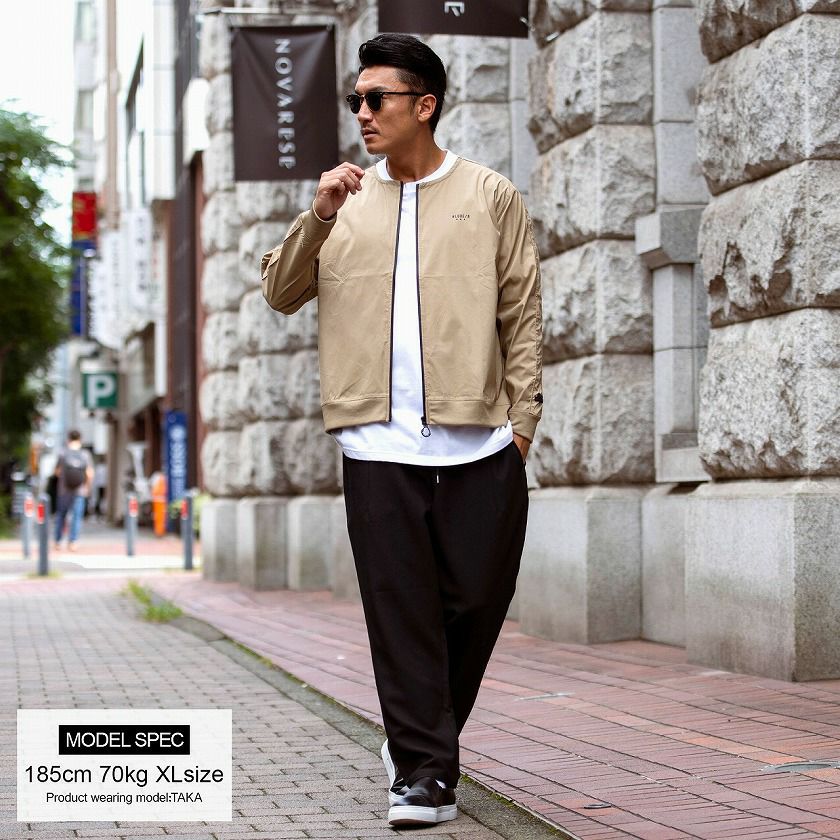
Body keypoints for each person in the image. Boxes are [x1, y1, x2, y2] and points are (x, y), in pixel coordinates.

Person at [262, 33, 543, 828]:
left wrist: (523, 425)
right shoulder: (342, 202)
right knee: (400, 613)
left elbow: (522, 313)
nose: (362, 112)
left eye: (375, 98)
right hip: (376, 446)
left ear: (424, 105)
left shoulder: (489, 194)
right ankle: (422, 774)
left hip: (480, 440)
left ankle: (419, 739)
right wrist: (318, 215)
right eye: (355, 99)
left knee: (476, 601)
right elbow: (280, 293)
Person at [53, 430, 94, 551]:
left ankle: (58, 541)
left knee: (61, 515)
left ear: (68, 439)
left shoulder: (63, 453)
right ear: (80, 439)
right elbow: (90, 474)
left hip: (64, 490)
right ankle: (73, 542)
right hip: (79, 490)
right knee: (76, 516)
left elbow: (57, 472)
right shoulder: (85, 454)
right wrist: (87, 487)